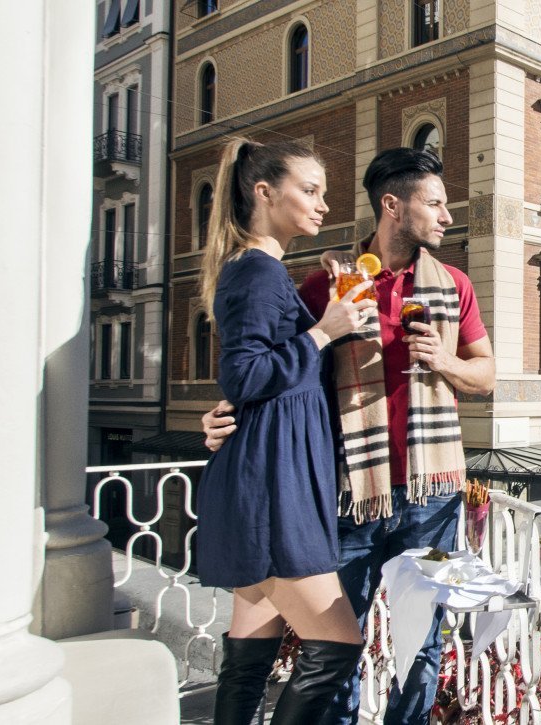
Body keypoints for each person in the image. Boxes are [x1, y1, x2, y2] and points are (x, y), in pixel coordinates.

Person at [204, 146, 494, 724]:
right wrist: (226, 414)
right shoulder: (326, 287)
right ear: (393, 205)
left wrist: (446, 362)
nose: (446, 217)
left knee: (423, 638)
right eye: (434, 203)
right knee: (342, 634)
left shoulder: (453, 284)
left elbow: (485, 376)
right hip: (347, 492)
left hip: (431, 494)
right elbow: (276, 366)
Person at [193, 137, 379, 725]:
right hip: (273, 486)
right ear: (264, 192)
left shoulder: (266, 272)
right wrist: (325, 331)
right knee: (338, 645)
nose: (323, 204)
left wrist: (329, 319)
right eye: (311, 190)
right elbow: (245, 374)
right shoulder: (256, 273)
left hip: (267, 474)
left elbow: (263, 374)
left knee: (249, 660)